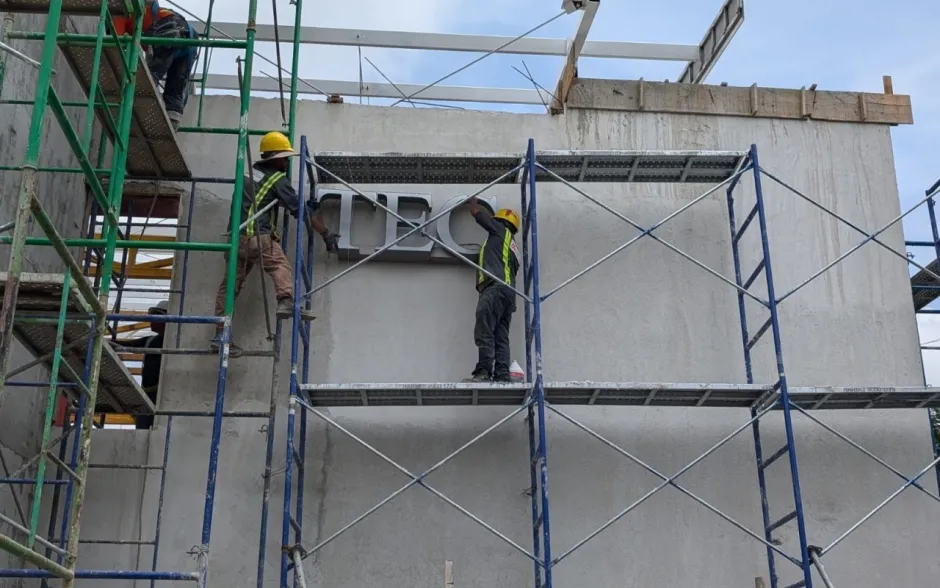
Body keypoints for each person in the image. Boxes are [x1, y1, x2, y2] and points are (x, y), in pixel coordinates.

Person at [211, 131, 340, 354]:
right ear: (276, 157)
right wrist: (325, 233)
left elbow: (258, 200)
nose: (287, 161)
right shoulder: (277, 179)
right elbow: (300, 210)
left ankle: (220, 336)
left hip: (234, 241)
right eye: (285, 157)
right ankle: (285, 301)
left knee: (230, 288)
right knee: (280, 266)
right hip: (257, 238)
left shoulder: (248, 174)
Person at [112, 1, 197, 130]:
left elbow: (114, 46)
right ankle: (173, 120)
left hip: (170, 27)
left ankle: (135, 110)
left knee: (151, 76)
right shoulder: (147, 13)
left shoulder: (121, 15)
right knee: (176, 87)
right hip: (189, 36)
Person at [465, 197, 521, 383]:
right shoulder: (513, 247)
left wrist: (473, 205)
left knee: (485, 329)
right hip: (508, 297)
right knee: (500, 336)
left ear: (500, 221)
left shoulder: (500, 230)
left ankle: (484, 371)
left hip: (494, 289)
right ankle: (502, 375)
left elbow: (480, 217)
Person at [117, 300, 167, 430]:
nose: (151, 320)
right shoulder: (152, 341)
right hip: (147, 394)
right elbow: (126, 345)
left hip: (161, 395)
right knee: (143, 428)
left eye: (155, 316)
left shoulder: (169, 343)